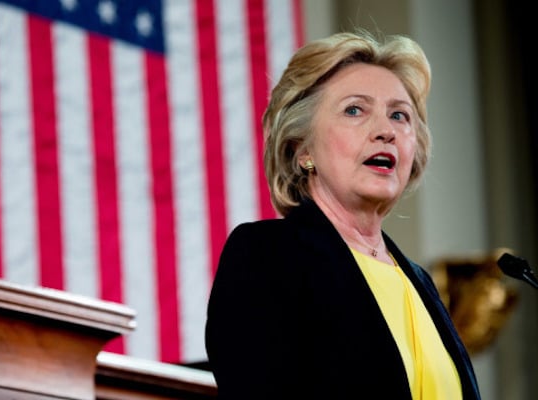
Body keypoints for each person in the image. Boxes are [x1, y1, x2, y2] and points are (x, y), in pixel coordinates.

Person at [205, 29, 481, 399]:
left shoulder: (420, 282)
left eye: (400, 115)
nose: (386, 131)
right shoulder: (266, 255)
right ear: (303, 148)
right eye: (355, 110)